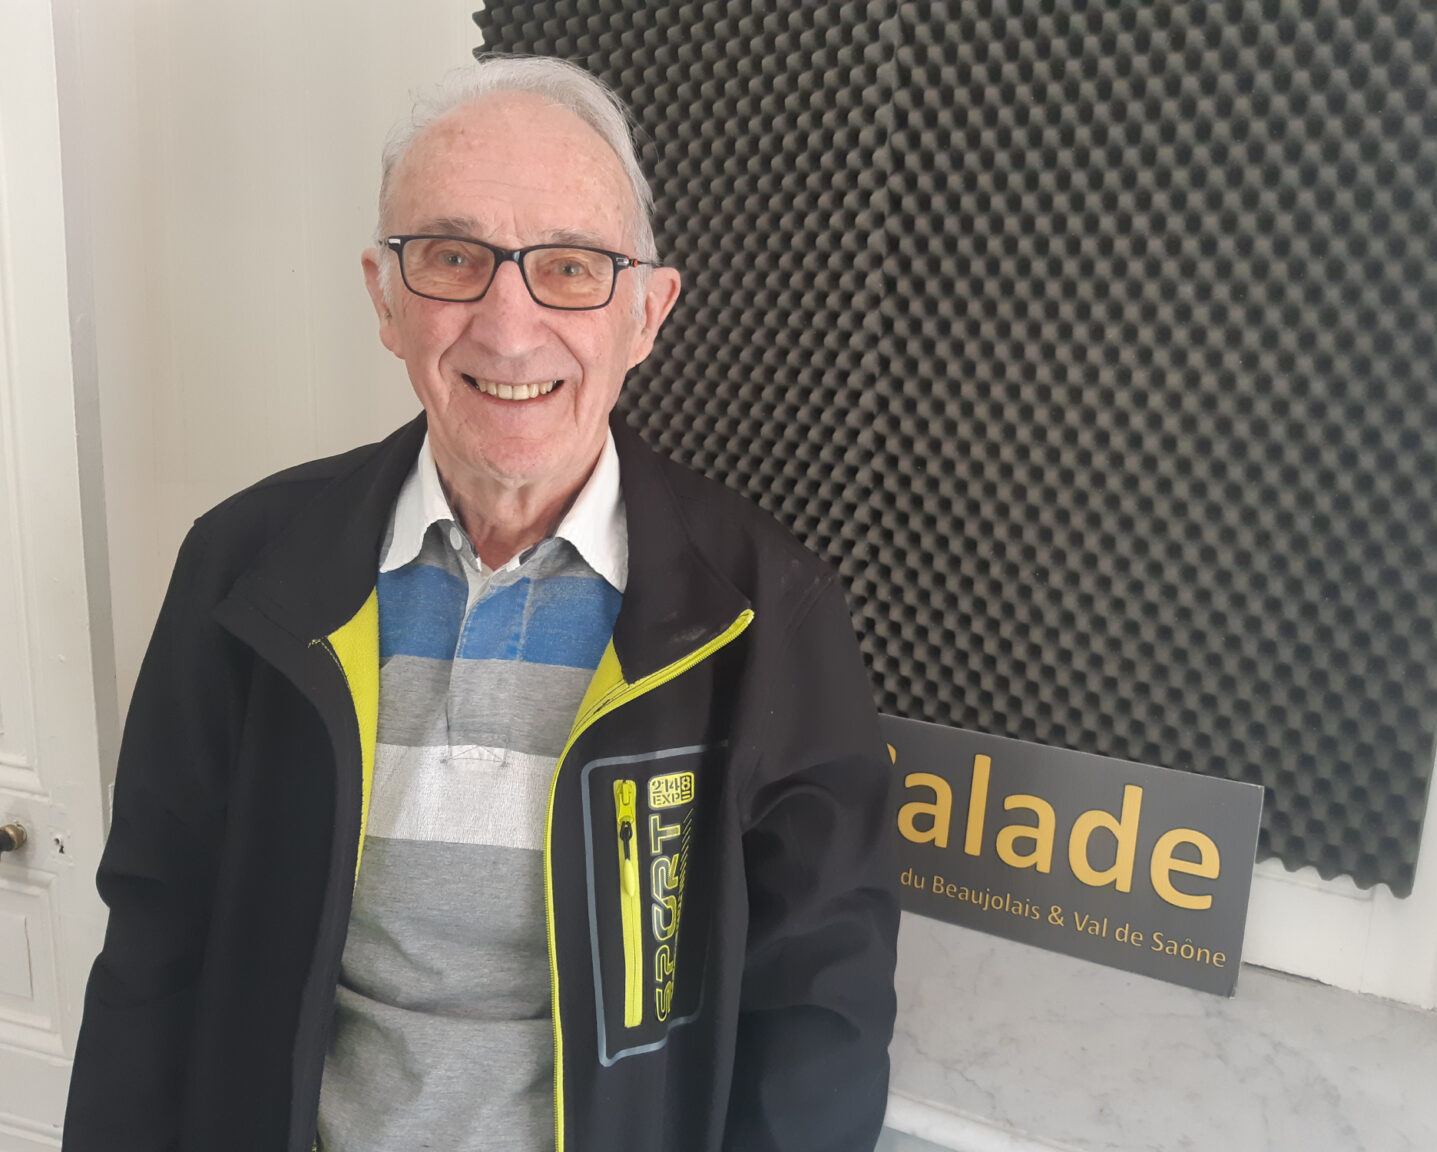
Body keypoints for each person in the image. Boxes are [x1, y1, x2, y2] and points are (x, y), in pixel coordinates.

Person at [61, 55, 899, 1152]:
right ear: (385, 297)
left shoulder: (766, 613)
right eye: (453, 258)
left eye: (571, 267)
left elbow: (819, 1014)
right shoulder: (241, 568)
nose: (508, 329)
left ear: (647, 314)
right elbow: (157, 938)